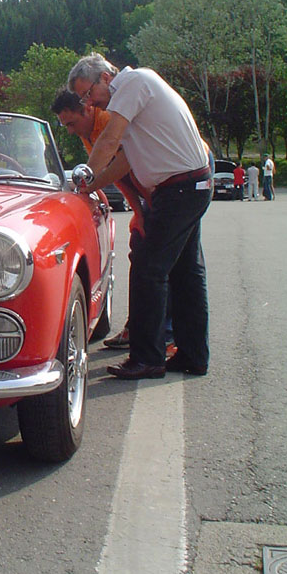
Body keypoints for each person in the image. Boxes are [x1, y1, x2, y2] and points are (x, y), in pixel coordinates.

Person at [68, 54, 212, 380]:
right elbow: (124, 164)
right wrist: (89, 186)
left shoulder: (133, 83)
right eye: (83, 98)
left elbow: (109, 140)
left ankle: (148, 358)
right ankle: (192, 355)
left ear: (106, 77)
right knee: (186, 275)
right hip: (188, 186)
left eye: (88, 93)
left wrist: (86, 171)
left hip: (180, 189)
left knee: (148, 269)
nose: (88, 102)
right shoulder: (133, 99)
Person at [51, 88, 174, 353]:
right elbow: (118, 176)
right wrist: (140, 215)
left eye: (71, 123)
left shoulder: (108, 121)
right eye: (65, 126)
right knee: (143, 254)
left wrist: (148, 210)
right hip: (153, 189)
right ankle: (143, 328)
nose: (70, 130)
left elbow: (127, 163)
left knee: (160, 260)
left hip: (175, 178)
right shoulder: (89, 132)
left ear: (87, 109)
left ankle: (164, 334)